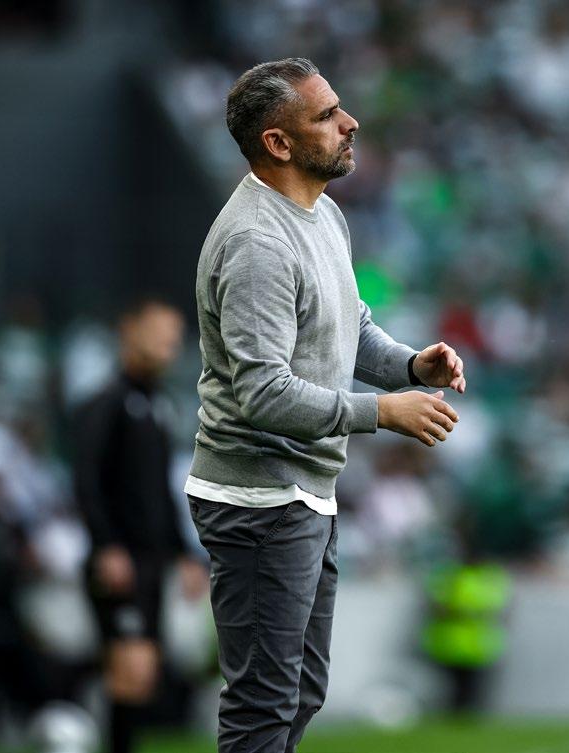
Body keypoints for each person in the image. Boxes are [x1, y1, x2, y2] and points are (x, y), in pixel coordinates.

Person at [184, 57, 466, 753]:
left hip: (302, 490)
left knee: (300, 691)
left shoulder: (322, 211)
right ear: (278, 143)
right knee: (264, 704)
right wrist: (383, 411)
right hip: (258, 500)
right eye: (327, 115)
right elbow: (262, 392)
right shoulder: (256, 242)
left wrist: (409, 366)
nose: (350, 122)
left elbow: (350, 326)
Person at [72, 299, 208, 753]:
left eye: (174, 337)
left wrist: (183, 554)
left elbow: (159, 493)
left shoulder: (156, 404)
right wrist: (106, 545)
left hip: (150, 562)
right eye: (159, 333)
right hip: (120, 560)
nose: (168, 345)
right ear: (129, 331)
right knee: (130, 668)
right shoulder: (106, 404)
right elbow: (87, 481)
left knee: (143, 672)